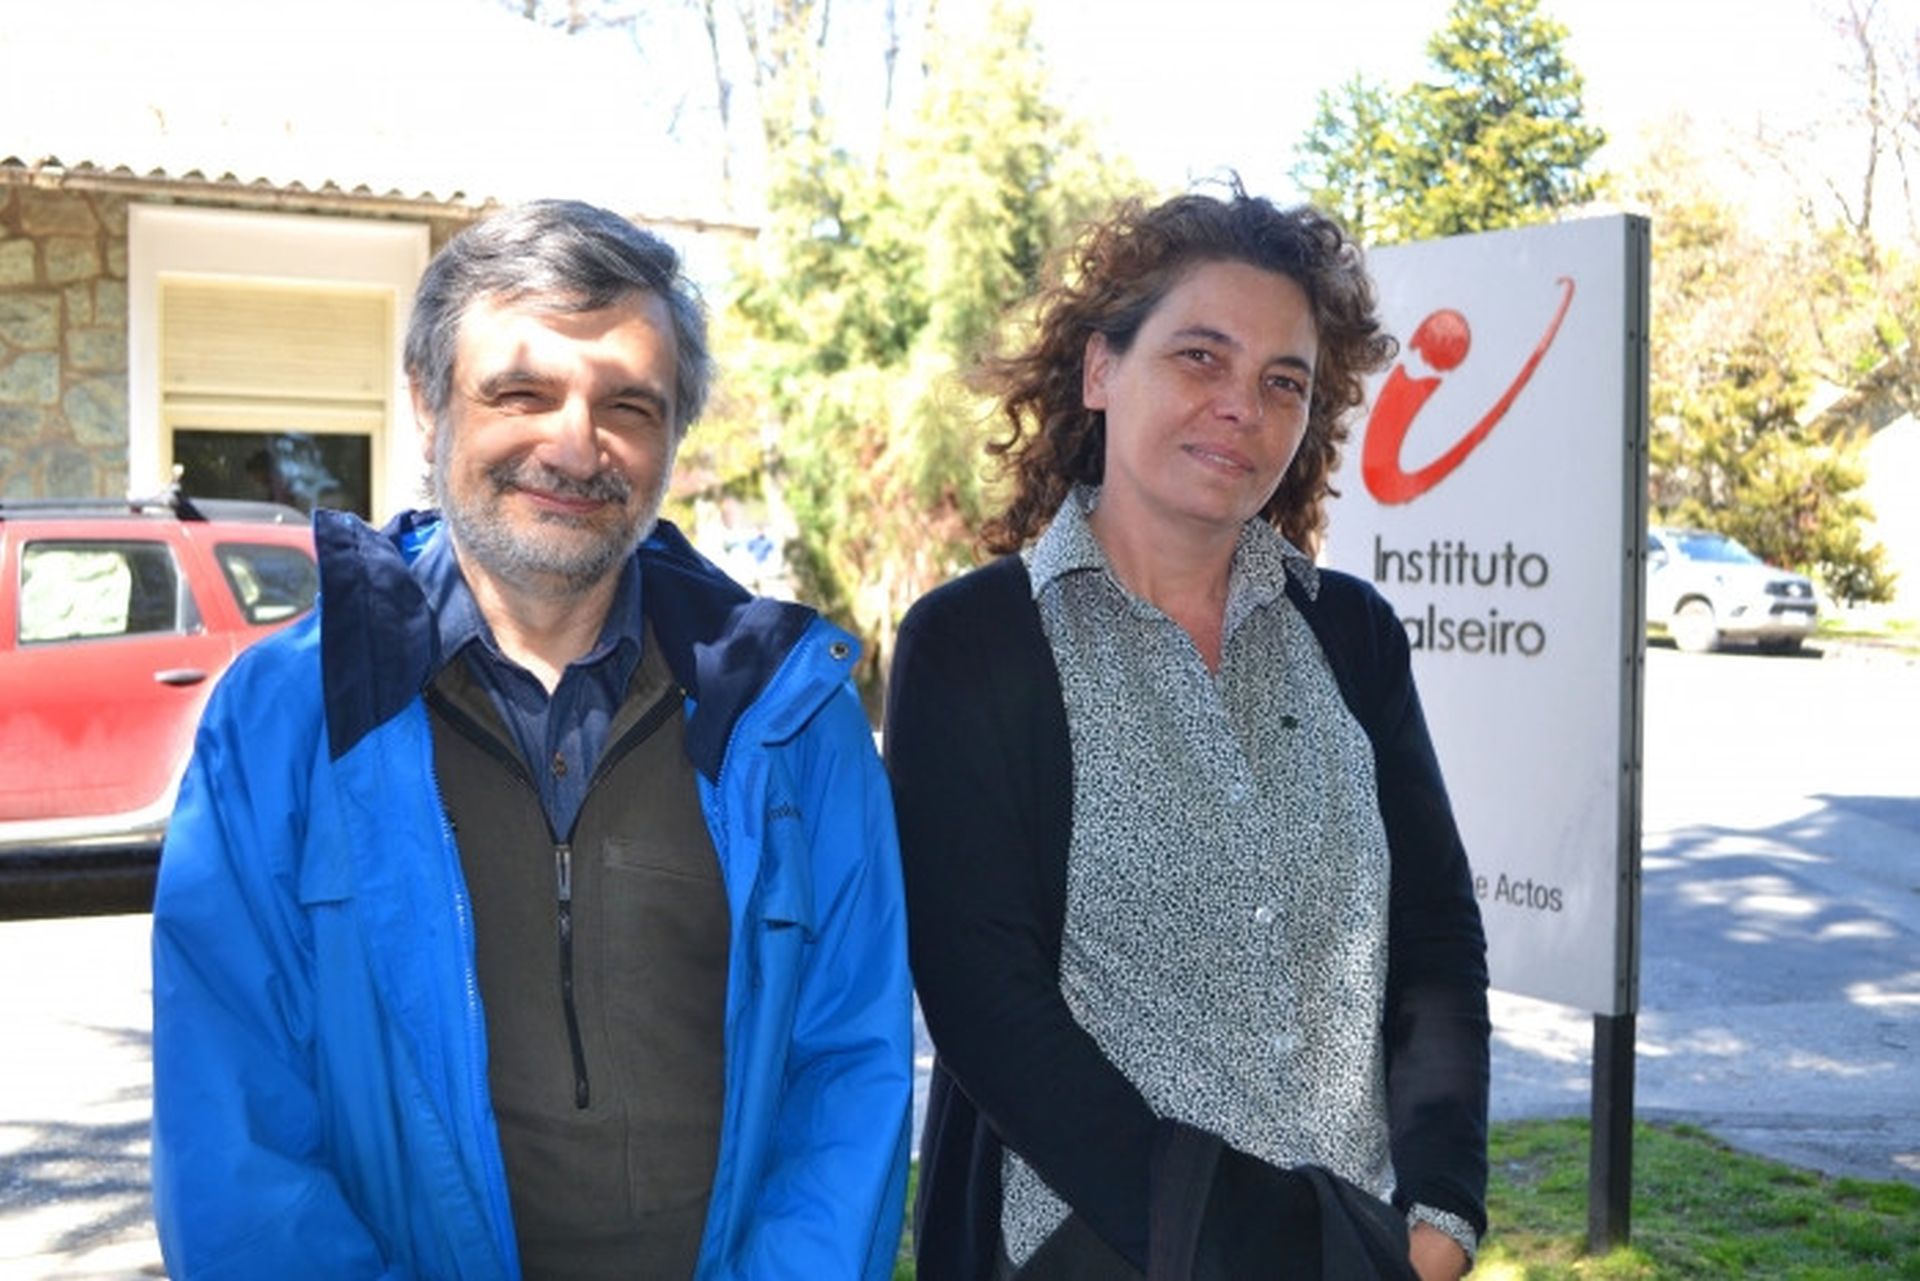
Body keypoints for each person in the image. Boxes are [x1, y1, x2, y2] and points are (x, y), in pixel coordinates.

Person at [151, 200, 912, 1280]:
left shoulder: (790, 721)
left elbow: (850, 1080)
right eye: (521, 393)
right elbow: (235, 1150)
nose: (574, 444)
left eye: (629, 405)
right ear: (428, 404)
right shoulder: (281, 723)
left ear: (671, 439)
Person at [886, 189, 1489, 1280]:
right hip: (1096, 1253)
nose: (1241, 407)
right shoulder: (976, 645)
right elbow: (985, 1003)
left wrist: (1443, 1209)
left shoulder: (1352, 635)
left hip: (1356, 1248)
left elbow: (1434, 934)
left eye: (1283, 382)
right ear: (1100, 370)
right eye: (1200, 357)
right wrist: (1240, 1244)